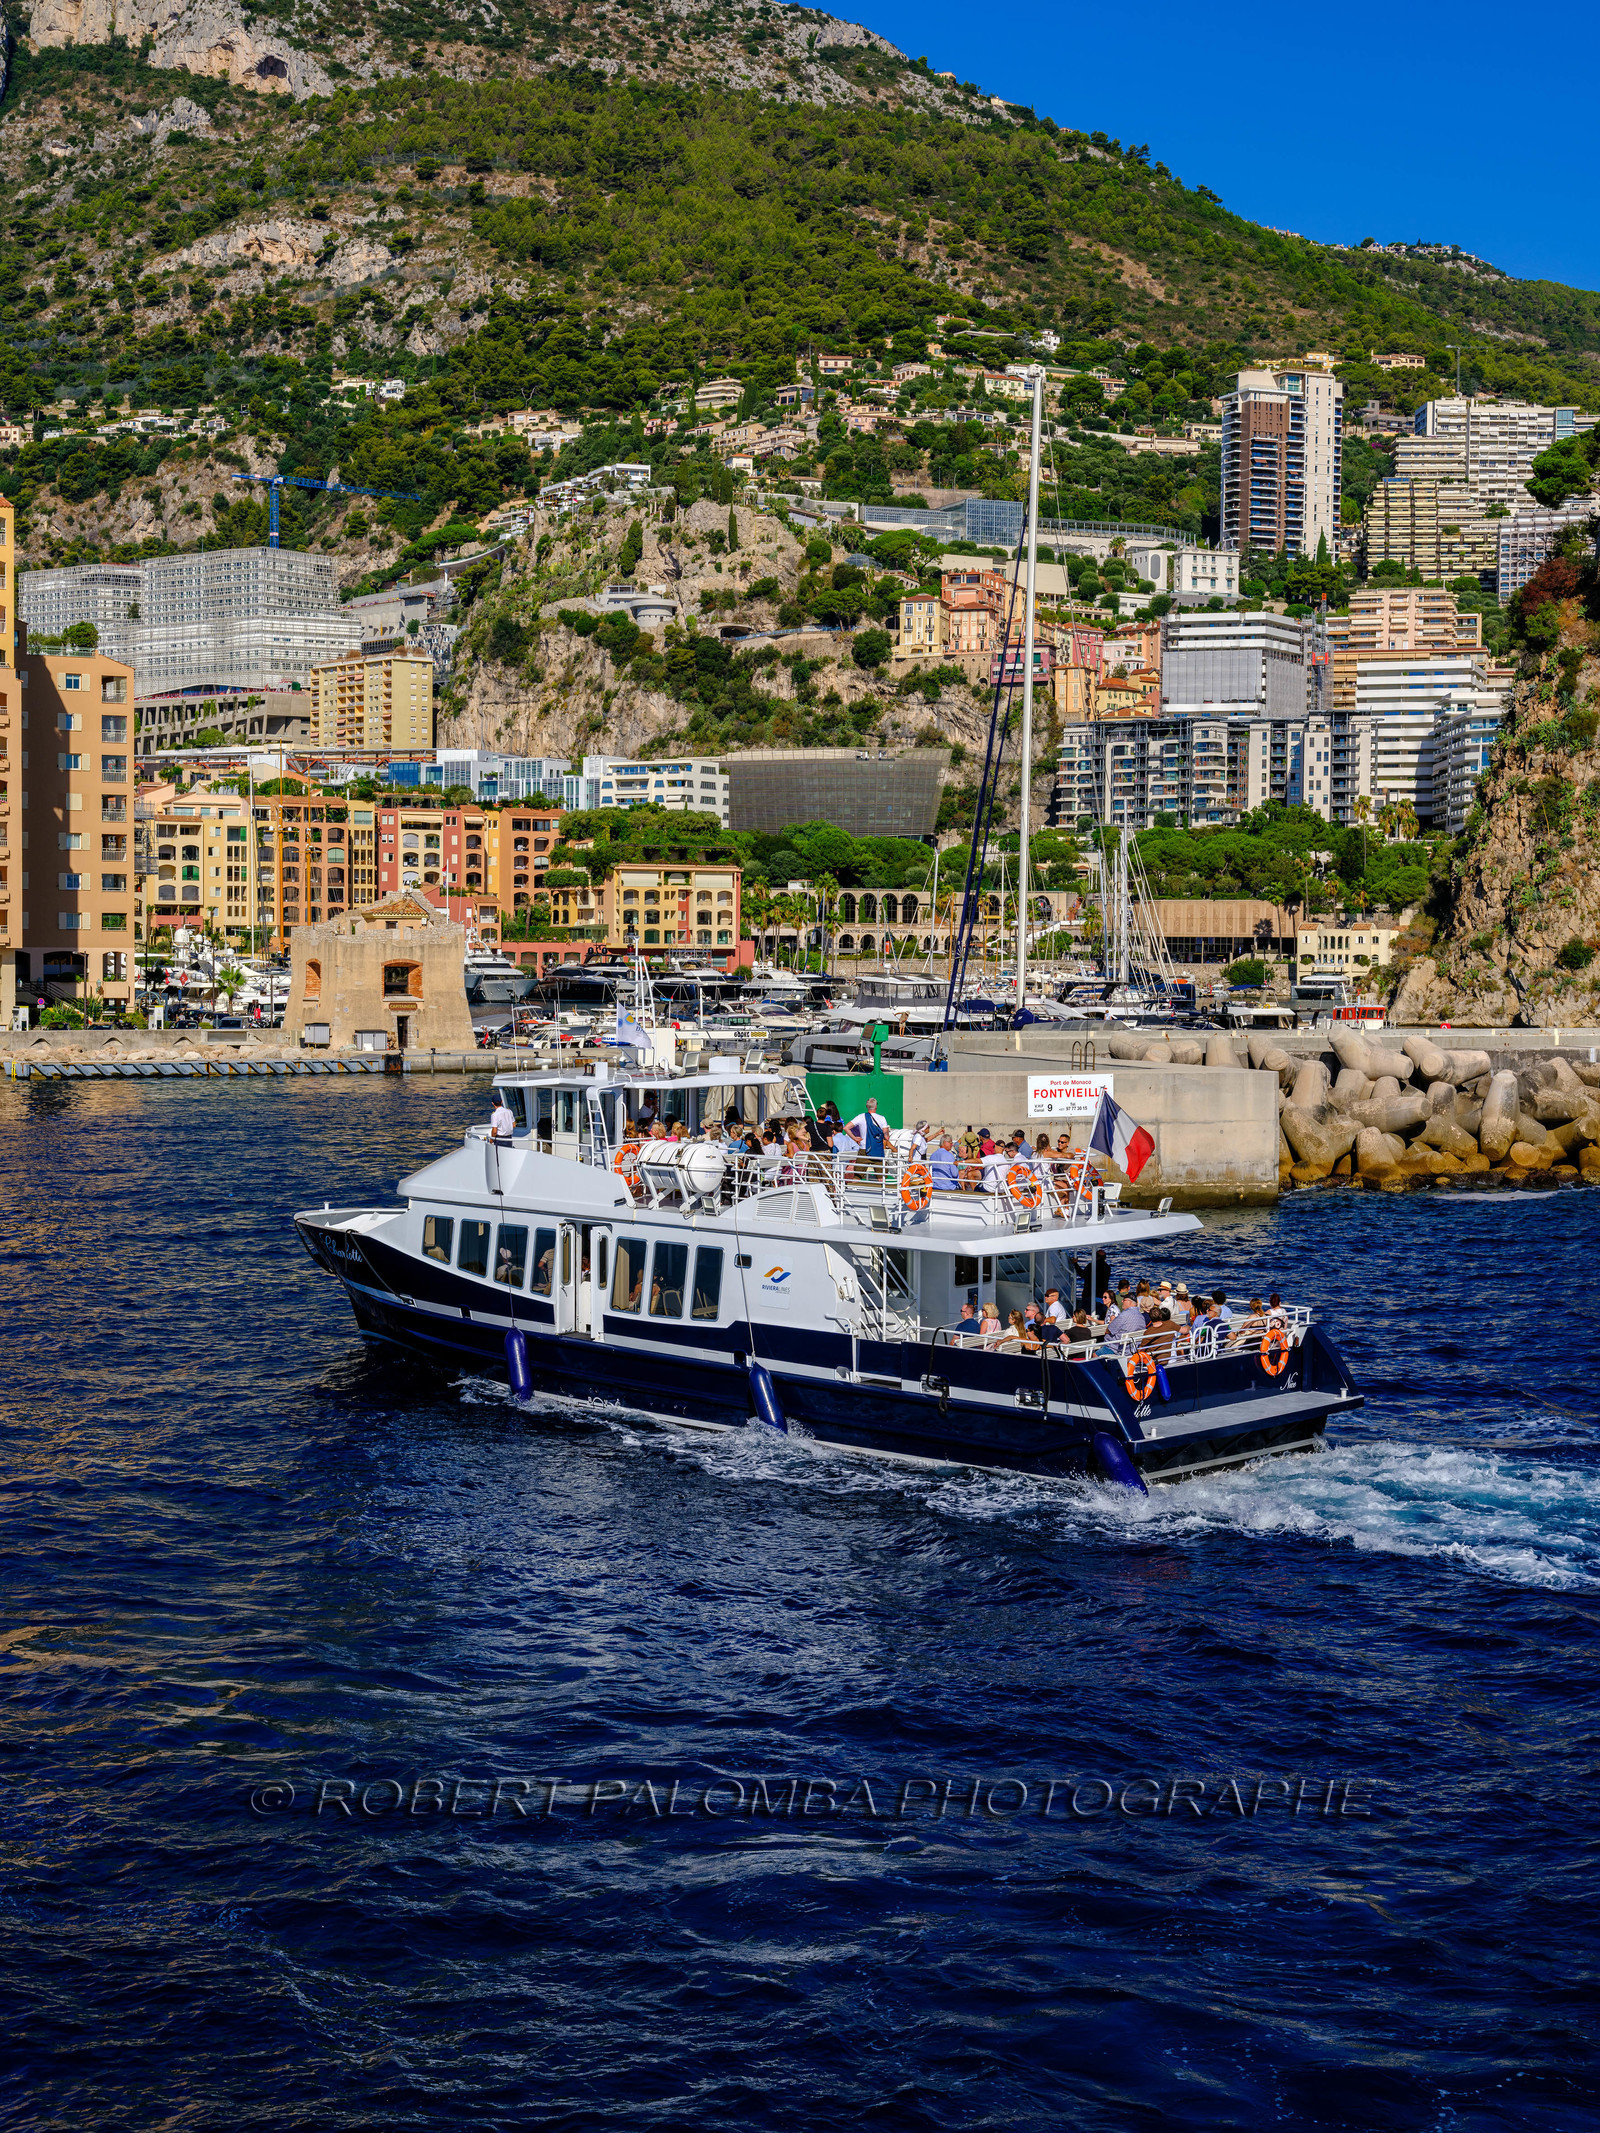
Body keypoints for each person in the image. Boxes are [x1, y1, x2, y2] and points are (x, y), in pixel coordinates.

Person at [847, 1097, 889, 1168]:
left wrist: (855, 1139)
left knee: (857, 1176)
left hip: (863, 1149)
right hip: (877, 1150)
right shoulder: (882, 1118)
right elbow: (886, 1137)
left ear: (867, 1106)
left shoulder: (860, 1117)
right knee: (881, 1176)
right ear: (876, 1106)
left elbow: (846, 1128)